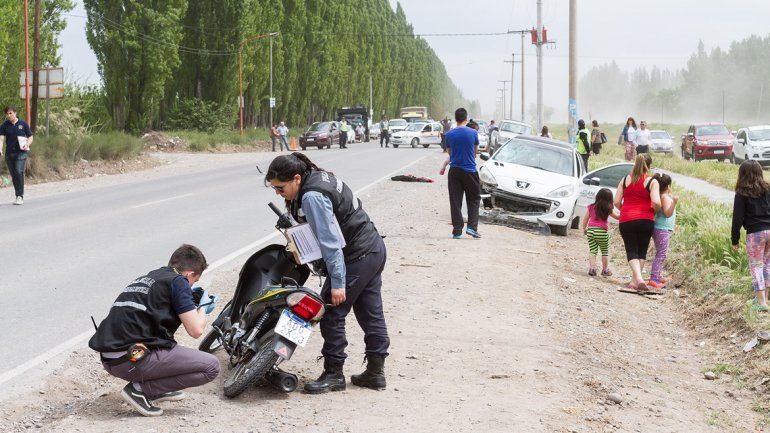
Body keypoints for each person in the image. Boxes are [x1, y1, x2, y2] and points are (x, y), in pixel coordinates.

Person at [265, 153, 390, 393]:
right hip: (372, 248)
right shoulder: (316, 177)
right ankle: (375, 373)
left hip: (356, 256)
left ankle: (334, 374)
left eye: (280, 188)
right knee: (370, 312)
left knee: (329, 312)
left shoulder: (311, 195)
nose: (278, 194)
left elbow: (332, 243)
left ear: (297, 178)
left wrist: (338, 283)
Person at [88, 245, 220, 417]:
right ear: (189, 274)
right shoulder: (179, 281)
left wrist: (187, 299)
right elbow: (195, 330)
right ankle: (140, 390)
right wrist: (203, 307)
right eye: (194, 281)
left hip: (111, 358)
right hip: (130, 359)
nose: (192, 286)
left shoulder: (149, 277)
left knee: (169, 347)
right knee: (211, 367)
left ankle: (156, 389)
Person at [614, 154, 661, 292]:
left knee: (631, 250)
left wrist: (625, 210)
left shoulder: (625, 180)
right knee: (641, 251)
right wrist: (654, 210)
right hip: (646, 219)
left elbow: (616, 201)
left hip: (627, 219)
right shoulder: (652, 181)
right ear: (650, 166)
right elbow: (657, 202)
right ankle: (637, 281)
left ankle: (636, 281)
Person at [731, 160, 770, 311]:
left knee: (756, 266)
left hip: (756, 234)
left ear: (742, 174)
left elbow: (737, 219)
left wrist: (735, 239)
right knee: (767, 264)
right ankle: (765, 298)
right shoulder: (768, 189)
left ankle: (761, 303)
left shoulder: (742, 193)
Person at [440, 107, 481, 239]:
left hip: (455, 171)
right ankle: (471, 227)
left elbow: (449, 152)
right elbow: (475, 153)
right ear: (466, 118)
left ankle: (457, 231)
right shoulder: (473, 133)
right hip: (470, 170)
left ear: (456, 118)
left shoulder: (449, 134)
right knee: (474, 199)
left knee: (455, 200)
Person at [581, 188, 619, 277]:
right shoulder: (608, 208)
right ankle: (605, 270)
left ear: (597, 196)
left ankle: (592, 269)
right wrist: (626, 213)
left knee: (592, 251)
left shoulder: (591, 206)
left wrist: (584, 229)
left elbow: (585, 218)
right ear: (610, 199)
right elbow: (617, 217)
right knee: (604, 251)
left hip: (590, 231)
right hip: (601, 232)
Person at [648, 173, 677, 289]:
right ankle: (653, 278)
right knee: (661, 254)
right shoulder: (664, 197)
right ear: (669, 186)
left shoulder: (659, 196)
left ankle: (657, 275)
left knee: (661, 253)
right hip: (662, 229)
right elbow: (667, 213)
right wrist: (674, 202)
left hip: (659, 228)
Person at [0, 106, 33, 205]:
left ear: (15, 113)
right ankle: (17, 195)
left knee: (19, 171)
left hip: (21, 152)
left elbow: (30, 137)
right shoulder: (4, 125)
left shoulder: (23, 124)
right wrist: (0, 148)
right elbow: (1, 139)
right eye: (7, 114)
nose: (9, 115)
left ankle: (20, 196)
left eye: (10, 113)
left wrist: (28, 144)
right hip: (9, 154)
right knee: (14, 175)